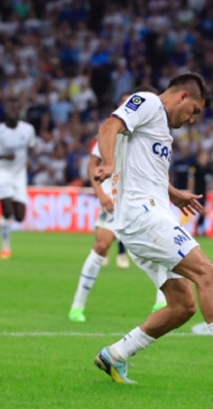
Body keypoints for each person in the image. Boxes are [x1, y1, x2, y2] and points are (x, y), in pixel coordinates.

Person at [93, 72, 213, 384]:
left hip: (150, 217)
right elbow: (109, 126)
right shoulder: (148, 103)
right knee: (209, 274)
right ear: (184, 97)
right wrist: (109, 162)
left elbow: (147, 172)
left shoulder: (159, 131)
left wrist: (174, 194)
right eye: (194, 111)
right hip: (143, 216)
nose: (193, 119)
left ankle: (115, 354)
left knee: (183, 306)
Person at [69, 89, 167, 323]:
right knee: (101, 246)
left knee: (161, 248)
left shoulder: (147, 133)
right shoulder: (110, 132)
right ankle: (77, 306)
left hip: (141, 202)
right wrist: (100, 195)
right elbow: (93, 165)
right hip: (113, 201)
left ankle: (161, 301)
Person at [0, 98, 36, 259]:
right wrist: (3, 156)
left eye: (16, 111)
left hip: (19, 175)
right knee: (8, 211)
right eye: (10, 111)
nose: (13, 114)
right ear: (5, 114)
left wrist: (29, 161)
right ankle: (5, 248)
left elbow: (31, 146)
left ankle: (3, 222)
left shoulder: (28, 129)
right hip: (2, 174)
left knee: (19, 216)